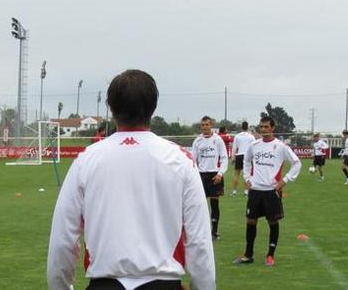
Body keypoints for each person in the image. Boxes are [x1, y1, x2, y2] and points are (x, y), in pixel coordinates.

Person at [47, 69, 215, 290]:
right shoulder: (180, 160)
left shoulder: (86, 161)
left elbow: (62, 239)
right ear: (153, 107)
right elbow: (199, 241)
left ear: (111, 107)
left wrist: (61, 286)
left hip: (104, 284)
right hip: (162, 284)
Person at [233, 116, 301, 267]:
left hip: (271, 191)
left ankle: (270, 255)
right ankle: (248, 255)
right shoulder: (254, 145)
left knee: (272, 221)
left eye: (266, 127)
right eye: (261, 127)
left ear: (272, 128)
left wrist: (285, 180)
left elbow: (297, 163)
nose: (263, 130)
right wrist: (247, 177)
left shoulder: (281, 146)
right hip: (255, 190)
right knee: (251, 221)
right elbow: (246, 160)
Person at [191, 116, 229, 240]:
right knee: (200, 205)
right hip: (201, 175)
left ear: (211, 125)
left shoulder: (217, 140)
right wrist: (194, 175)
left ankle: (214, 232)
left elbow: (224, 158)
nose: (205, 127)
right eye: (203, 125)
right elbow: (193, 160)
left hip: (214, 175)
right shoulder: (197, 141)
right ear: (200, 126)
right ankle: (201, 231)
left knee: (214, 204)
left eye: (207, 124)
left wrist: (220, 173)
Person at [231, 121, 256, 196]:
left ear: (241, 127)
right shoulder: (251, 136)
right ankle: (246, 192)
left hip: (239, 156)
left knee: (236, 175)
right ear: (247, 127)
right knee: (247, 175)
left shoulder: (237, 136)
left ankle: (234, 192)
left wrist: (233, 158)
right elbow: (254, 147)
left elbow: (234, 147)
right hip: (248, 156)